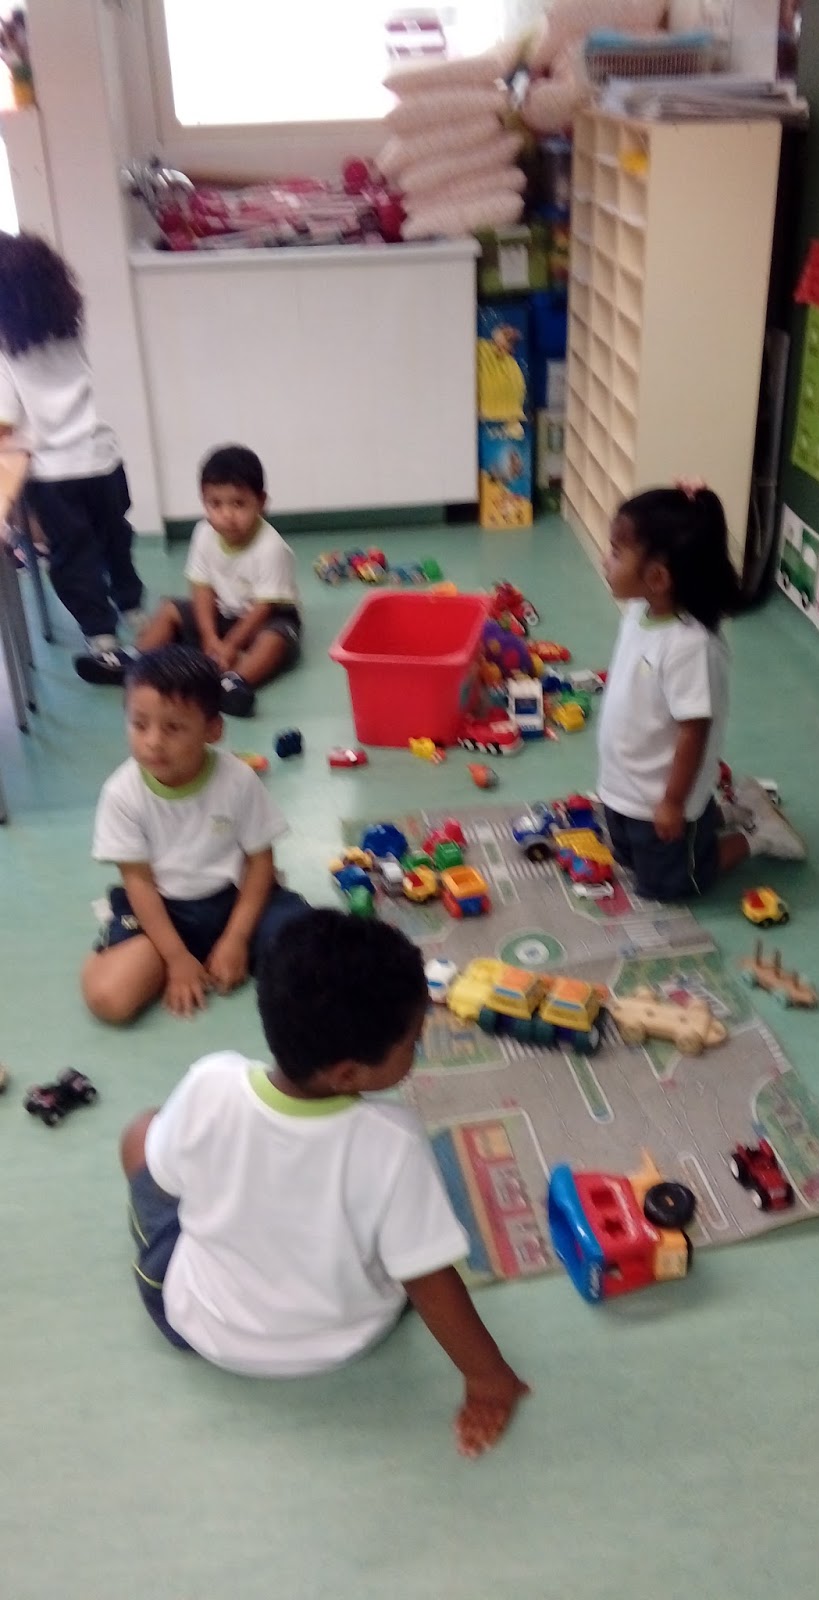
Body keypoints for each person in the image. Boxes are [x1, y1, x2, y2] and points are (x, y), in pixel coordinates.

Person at [119, 909, 528, 1458]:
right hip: (346, 1336)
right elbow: (429, 1281)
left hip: (203, 1325)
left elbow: (169, 1183)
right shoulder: (393, 1142)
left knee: (141, 1133)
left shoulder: (210, 1082)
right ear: (347, 1074)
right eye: (413, 1041)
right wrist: (489, 1380)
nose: (419, 1046)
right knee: (413, 1233)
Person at [598, 483, 805, 902]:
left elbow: (694, 730)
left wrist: (673, 803)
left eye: (616, 553)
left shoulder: (689, 646)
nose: (606, 560)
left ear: (658, 578)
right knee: (628, 857)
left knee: (670, 884)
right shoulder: (640, 611)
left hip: (661, 795)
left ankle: (759, 836)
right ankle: (724, 816)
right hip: (624, 786)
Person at [82, 644, 307, 1024]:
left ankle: (226, 950)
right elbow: (138, 883)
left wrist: (236, 938)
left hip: (236, 901)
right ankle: (119, 950)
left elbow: (260, 863)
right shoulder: (122, 793)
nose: (153, 741)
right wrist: (175, 958)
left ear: (213, 729)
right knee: (110, 999)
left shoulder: (237, 779)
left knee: (315, 959)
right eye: (139, 724)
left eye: (173, 728)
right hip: (162, 911)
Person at [0, 232, 146, 682]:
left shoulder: (5, 348)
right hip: (102, 455)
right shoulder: (68, 327)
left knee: (72, 557)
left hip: (54, 471)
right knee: (114, 536)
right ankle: (135, 610)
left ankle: (103, 641)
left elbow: (5, 422)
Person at [114, 443, 301, 718]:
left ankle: (234, 681)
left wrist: (231, 646)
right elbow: (201, 587)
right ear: (204, 502)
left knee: (276, 640)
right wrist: (210, 638)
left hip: (266, 618)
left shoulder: (271, 548)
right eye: (215, 504)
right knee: (169, 609)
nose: (227, 515)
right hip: (222, 613)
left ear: (261, 503)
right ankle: (134, 658)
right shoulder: (203, 534)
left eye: (238, 504)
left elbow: (264, 607)